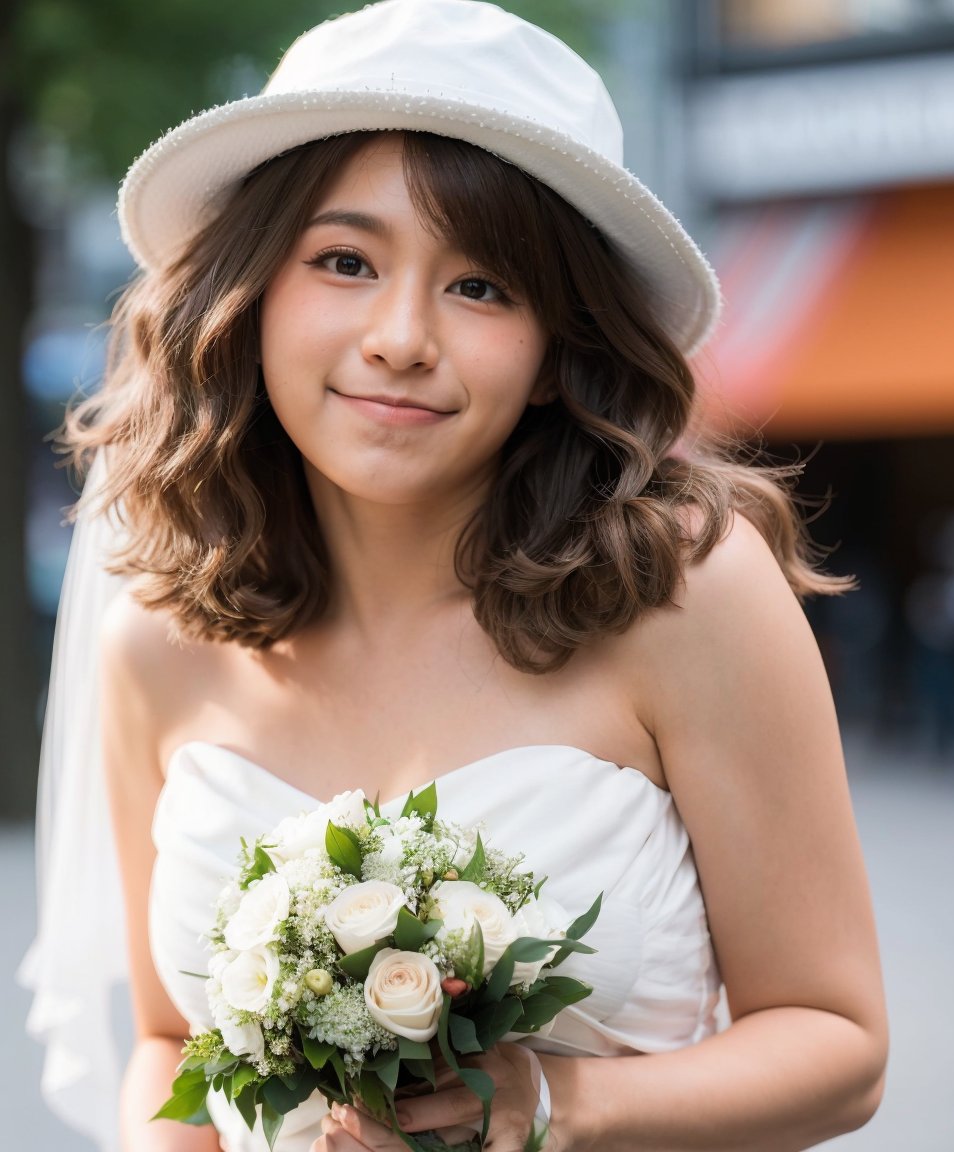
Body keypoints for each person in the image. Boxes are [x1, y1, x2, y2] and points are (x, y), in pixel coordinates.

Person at [23, 2, 887, 1150]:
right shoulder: (157, 638)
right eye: (344, 261)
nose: (400, 336)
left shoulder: (688, 597)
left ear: (553, 352)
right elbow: (170, 1045)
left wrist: (551, 1109)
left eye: (482, 286)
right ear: (251, 295)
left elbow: (838, 1044)